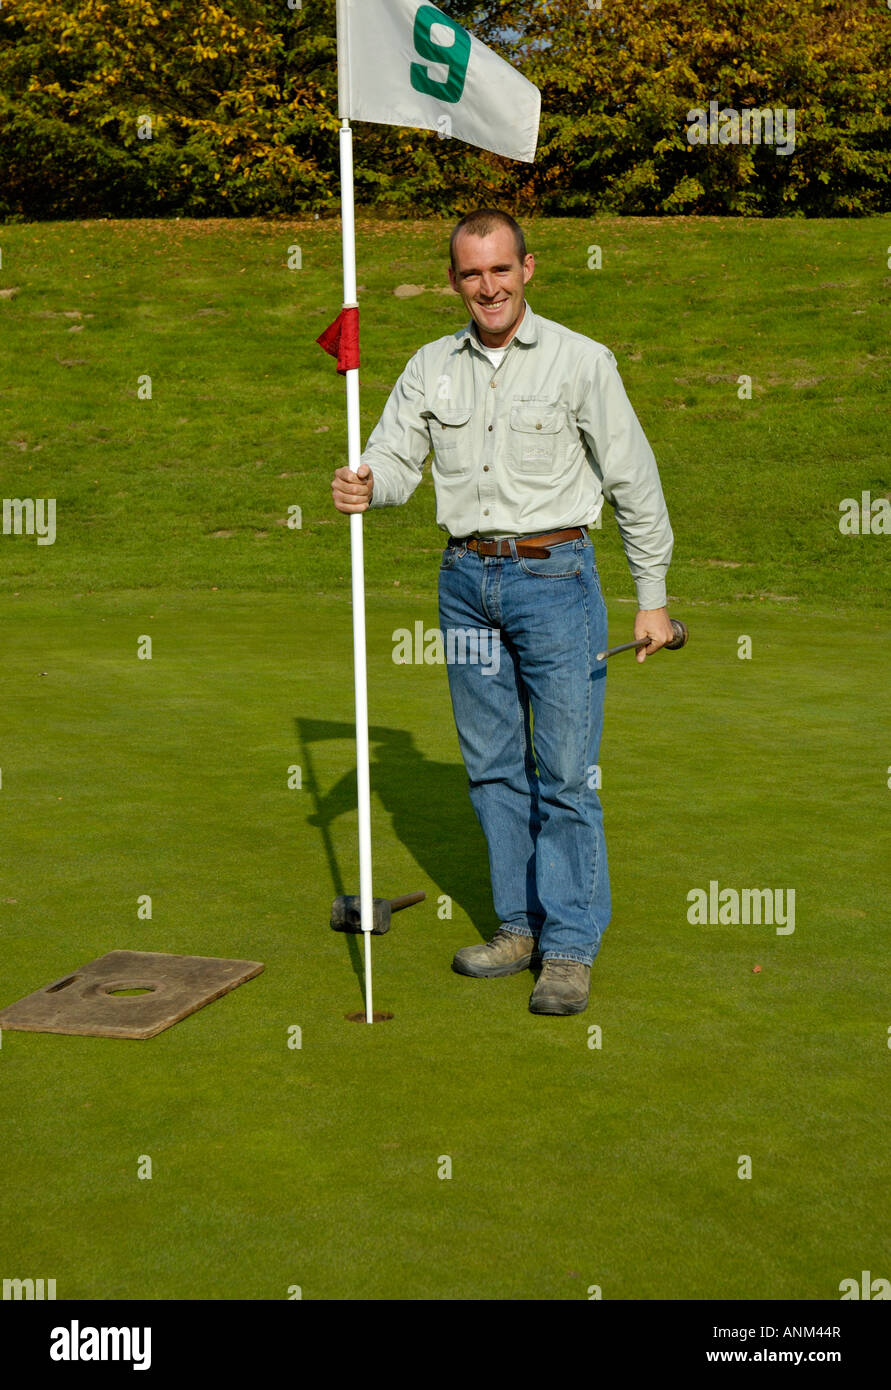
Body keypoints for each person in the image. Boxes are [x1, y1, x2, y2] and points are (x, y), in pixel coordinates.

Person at [331, 209, 674, 1016]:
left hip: (554, 580)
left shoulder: (581, 361)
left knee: (563, 775)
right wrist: (369, 483)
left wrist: (650, 598)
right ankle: (517, 928)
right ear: (453, 281)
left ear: (527, 269)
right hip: (464, 583)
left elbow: (633, 480)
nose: (486, 286)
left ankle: (567, 950)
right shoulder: (429, 365)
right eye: (470, 273)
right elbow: (395, 456)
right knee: (491, 770)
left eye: (499, 269)